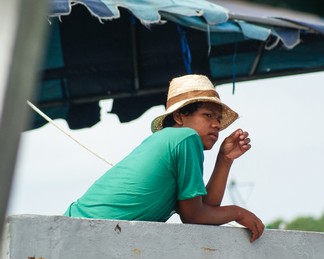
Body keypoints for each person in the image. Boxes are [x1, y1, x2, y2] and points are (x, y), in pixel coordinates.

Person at [64, 74, 264, 242]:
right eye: (208, 115)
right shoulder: (186, 137)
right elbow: (194, 216)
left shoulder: (170, 140)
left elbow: (205, 209)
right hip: (84, 234)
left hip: (78, 229)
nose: (216, 125)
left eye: (218, 119)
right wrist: (239, 212)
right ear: (179, 117)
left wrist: (225, 159)